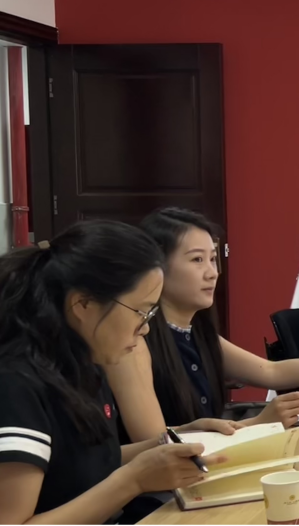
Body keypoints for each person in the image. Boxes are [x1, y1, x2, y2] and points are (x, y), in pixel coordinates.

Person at [0, 221, 228, 524]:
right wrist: (133, 480)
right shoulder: (16, 384)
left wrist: (175, 440)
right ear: (83, 305)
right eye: (141, 312)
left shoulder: (81, 366)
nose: (145, 328)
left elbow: (85, 462)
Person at [107, 208, 299, 443]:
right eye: (197, 260)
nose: (212, 272)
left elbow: (271, 371)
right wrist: (257, 424)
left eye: (213, 259)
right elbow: (155, 447)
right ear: (156, 268)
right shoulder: (133, 344)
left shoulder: (198, 332)